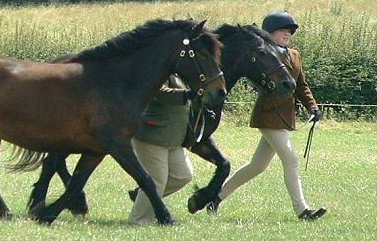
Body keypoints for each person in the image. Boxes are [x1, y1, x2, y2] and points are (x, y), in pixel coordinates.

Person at [209, 11, 326, 221]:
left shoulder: (295, 55)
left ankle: (215, 198)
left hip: (285, 116)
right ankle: (302, 210)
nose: (288, 34)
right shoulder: (265, 54)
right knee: (290, 159)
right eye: (283, 30)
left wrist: (312, 107)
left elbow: (301, 85)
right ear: (270, 33)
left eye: (290, 31)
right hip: (268, 115)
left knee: (257, 166)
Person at [128, 74, 195, 225]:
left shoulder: (182, 72)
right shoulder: (160, 67)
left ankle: (143, 198)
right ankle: (139, 220)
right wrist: (187, 94)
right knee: (157, 181)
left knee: (183, 174)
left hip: (173, 138)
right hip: (152, 136)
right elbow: (159, 93)